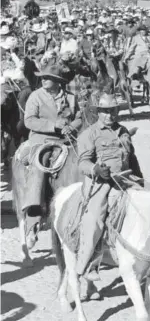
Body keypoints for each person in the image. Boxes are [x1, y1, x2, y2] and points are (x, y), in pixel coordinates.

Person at [77, 93, 143, 281]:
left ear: (118, 111)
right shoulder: (89, 134)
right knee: (95, 218)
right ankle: (88, 263)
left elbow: (132, 159)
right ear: (98, 112)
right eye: (105, 111)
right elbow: (82, 163)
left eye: (112, 111)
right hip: (101, 183)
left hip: (125, 179)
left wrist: (140, 181)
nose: (109, 115)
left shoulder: (123, 131)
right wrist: (96, 169)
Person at [22, 64, 82, 214]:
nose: (43, 80)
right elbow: (29, 120)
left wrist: (72, 126)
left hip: (67, 139)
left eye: (47, 78)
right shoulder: (35, 96)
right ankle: (33, 204)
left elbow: (80, 117)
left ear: (57, 81)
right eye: (42, 78)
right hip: (43, 139)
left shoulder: (70, 97)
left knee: (85, 157)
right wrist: (53, 125)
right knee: (39, 163)